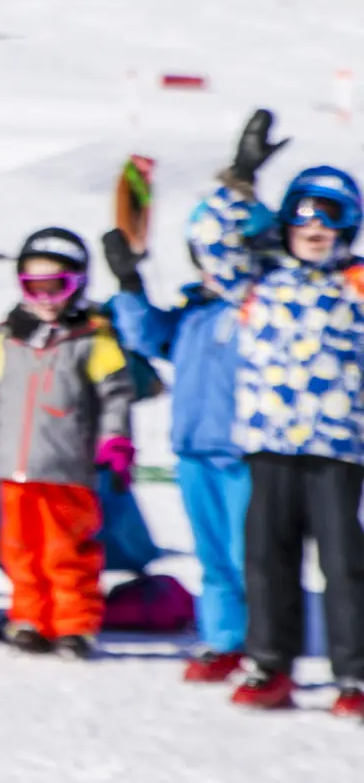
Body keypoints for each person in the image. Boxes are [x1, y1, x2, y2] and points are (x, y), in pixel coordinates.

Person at [190, 110, 364, 715]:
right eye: (303, 214)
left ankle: (354, 673)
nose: (315, 228)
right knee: (267, 559)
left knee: (345, 566)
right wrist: (240, 178)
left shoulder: (356, 285)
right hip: (269, 444)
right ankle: (270, 661)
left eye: (331, 216)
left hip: (337, 449)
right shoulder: (259, 280)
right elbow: (209, 241)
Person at [0, 228, 135, 659]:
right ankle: (29, 618)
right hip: (15, 464)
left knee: (67, 549)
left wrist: (115, 441)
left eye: (56, 287)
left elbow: (115, 394)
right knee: (19, 547)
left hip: (66, 464)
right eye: (33, 287)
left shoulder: (92, 339)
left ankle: (73, 623)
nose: (44, 298)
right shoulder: (9, 338)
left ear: (78, 284)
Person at [104, 218, 248, 682]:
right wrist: (130, 283)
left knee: (249, 555)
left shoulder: (255, 309)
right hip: (192, 450)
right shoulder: (194, 313)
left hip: (246, 452)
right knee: (213, 558)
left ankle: (265, 645)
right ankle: (223, 640)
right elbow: (145, 335)